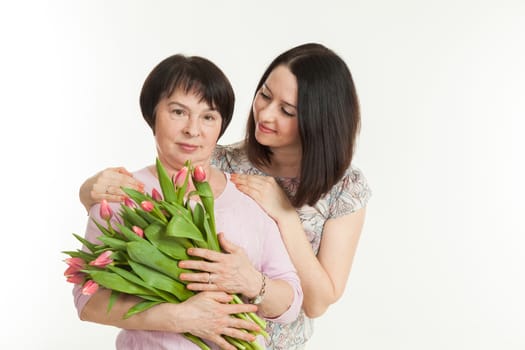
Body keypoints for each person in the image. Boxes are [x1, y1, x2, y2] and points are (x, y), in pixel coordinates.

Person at [79, 43, 371, 349]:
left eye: (286, 110)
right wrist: (89, 192)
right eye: (264, 95)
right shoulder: (218, 162)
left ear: (318, 120)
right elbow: (144, 207)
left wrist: (284, 216)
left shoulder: (344, 188)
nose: (265, 114)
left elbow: (316, 303)